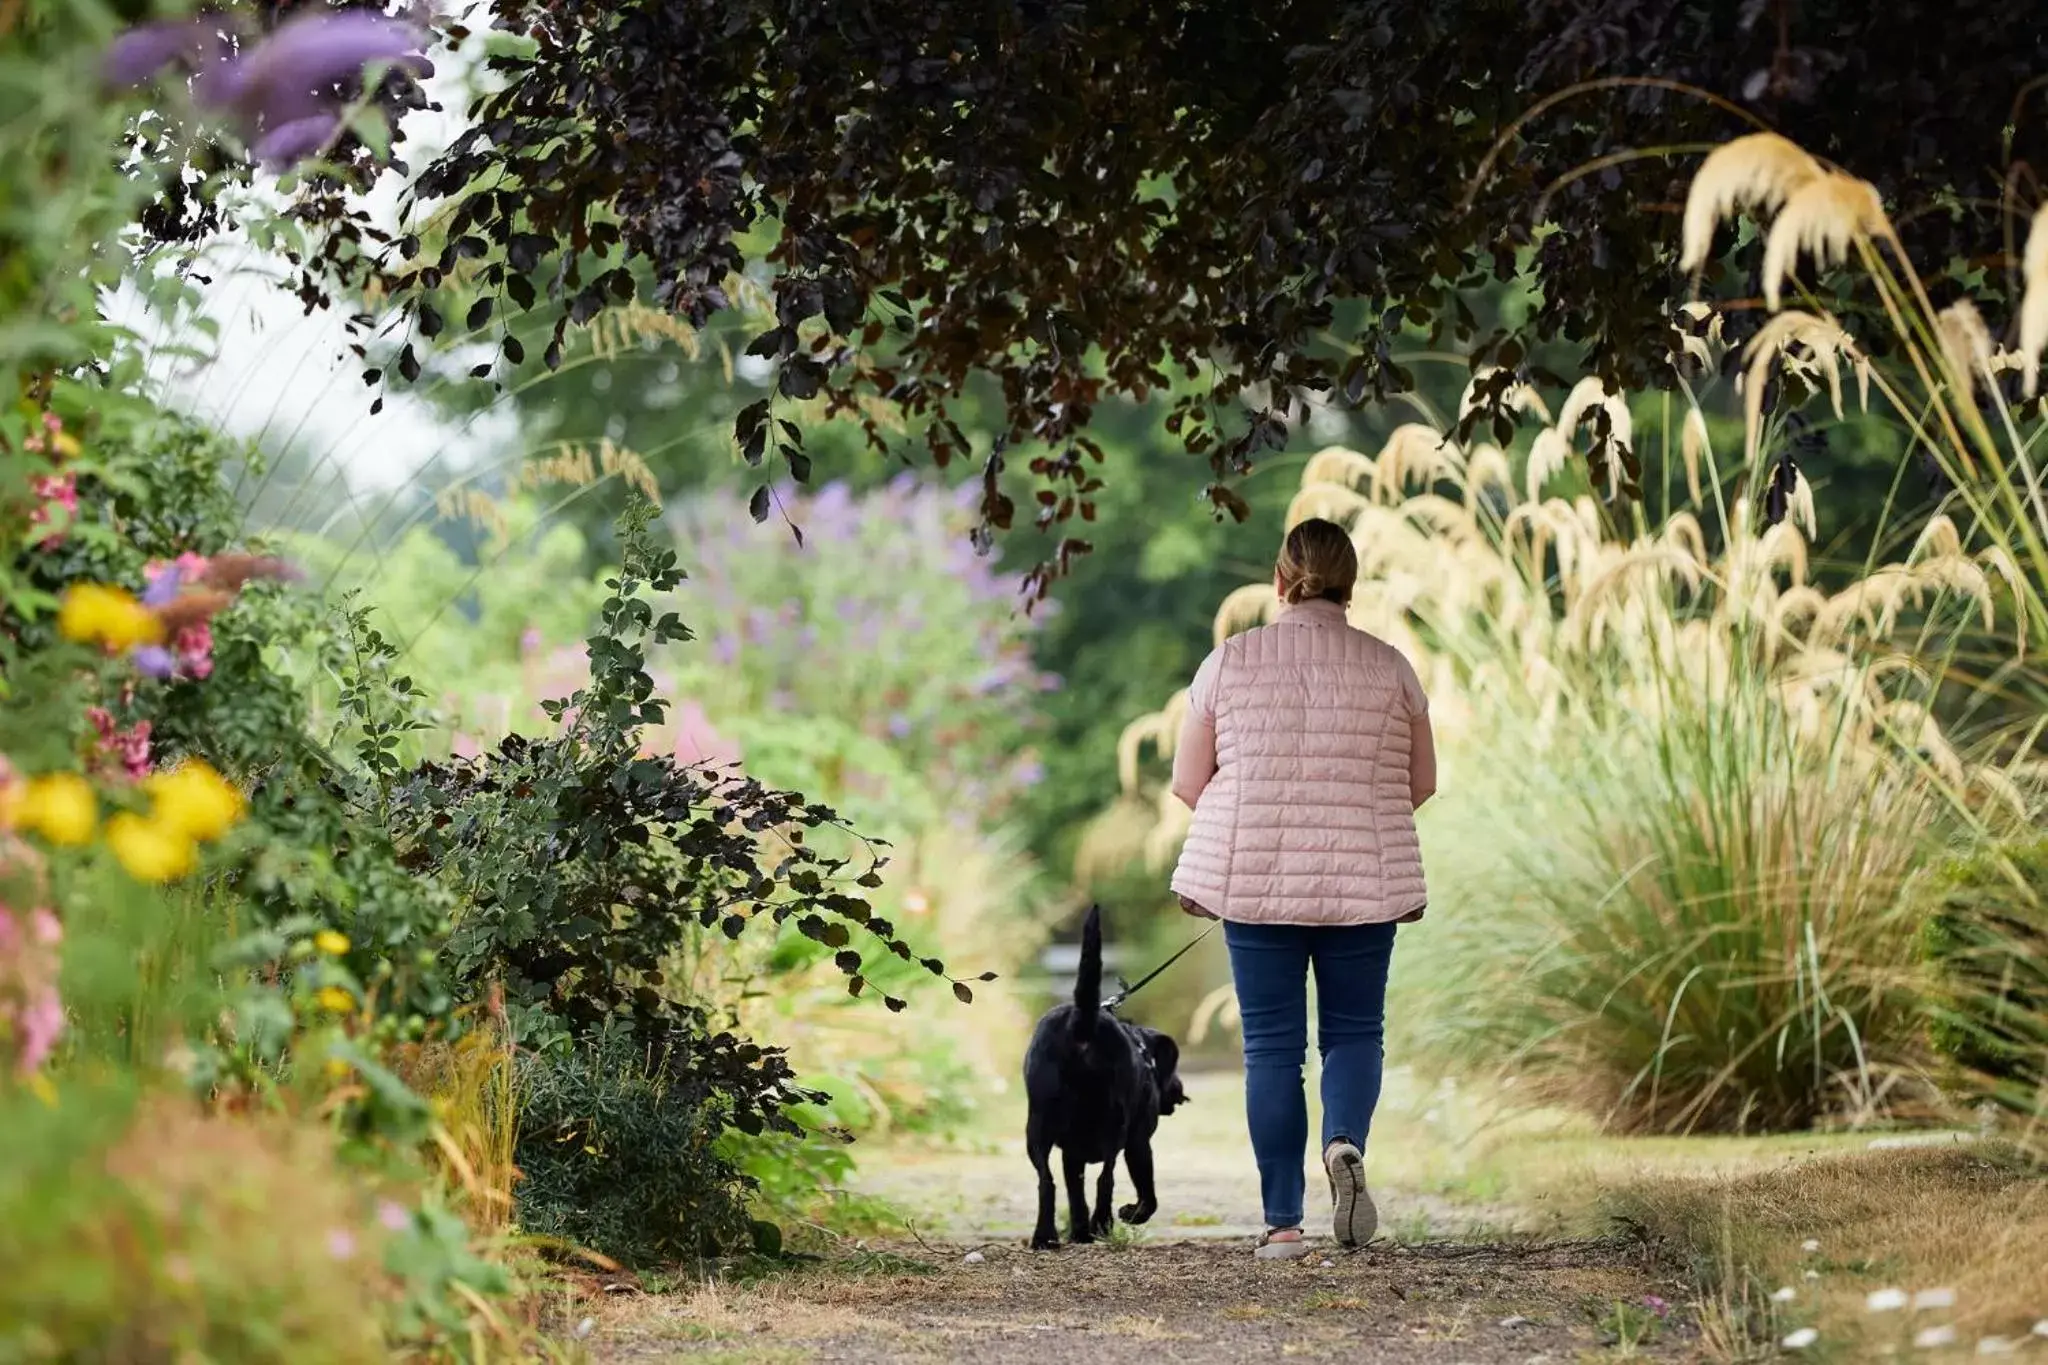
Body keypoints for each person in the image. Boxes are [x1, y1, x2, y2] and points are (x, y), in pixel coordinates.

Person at [1168, 517, 1436, 1260]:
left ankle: (1283, 1224)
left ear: (1280, 580)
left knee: (1272, 1051)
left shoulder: (1230, 661)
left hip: (1257, 885)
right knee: (1354, 1032)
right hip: (1364, 883)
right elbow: (1422, 782)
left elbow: (1189, 783)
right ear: (1351, 583)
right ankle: (1343, 1142)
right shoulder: (1391, 666)